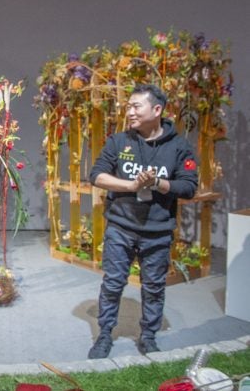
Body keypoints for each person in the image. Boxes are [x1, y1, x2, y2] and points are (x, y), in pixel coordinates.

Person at [87, 84, 198, 359]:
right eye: (128, 106)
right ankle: (104, 335)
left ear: (157, 109)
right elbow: (97, 176)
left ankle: (148, 337)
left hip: (157, 232)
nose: (130, 112)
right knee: (112, 284)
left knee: (153, 287)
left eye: (136, 106)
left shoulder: (179, 147)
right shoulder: (118, 141)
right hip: (120, 228)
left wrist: (159, 183)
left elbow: (189, 187)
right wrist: (132, 184)